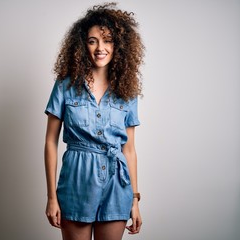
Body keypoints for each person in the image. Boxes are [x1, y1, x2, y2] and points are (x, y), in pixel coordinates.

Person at [44, 2, 144, 240]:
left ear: (118, 46)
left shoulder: (127, 92)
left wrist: (135, 199)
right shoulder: (65, 85)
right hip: (76, 181)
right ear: (82, 45)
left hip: (116, 185)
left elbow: (129, 149)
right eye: (92, 41)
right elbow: (50, 142)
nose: (100, 48)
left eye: (107, 40)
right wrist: (51, 197)